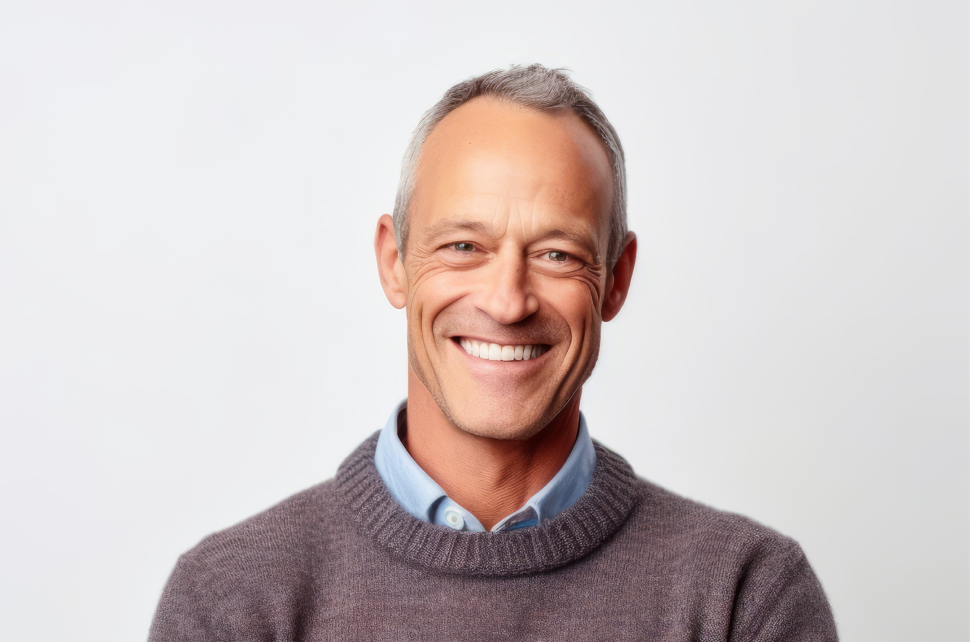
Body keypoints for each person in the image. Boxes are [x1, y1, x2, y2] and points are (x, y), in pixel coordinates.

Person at [149, 64, 837, 641]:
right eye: (463, 246)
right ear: (394, 262)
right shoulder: (233, 601)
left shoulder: (745, 598)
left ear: (616, 279)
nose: (508, 301)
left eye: (556, 253)